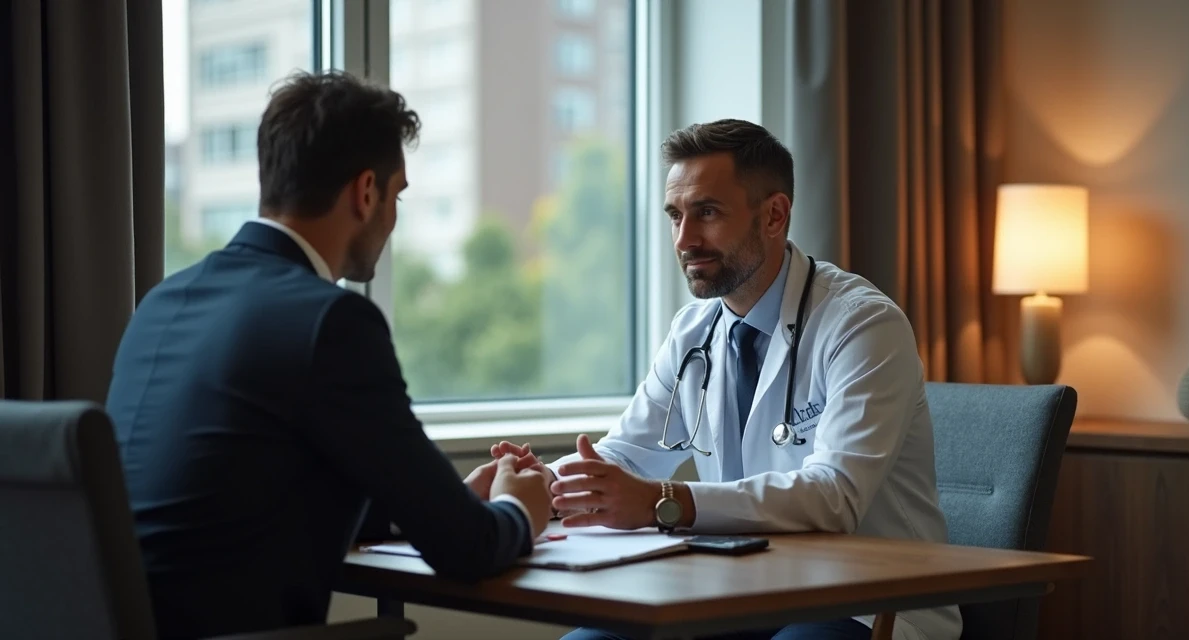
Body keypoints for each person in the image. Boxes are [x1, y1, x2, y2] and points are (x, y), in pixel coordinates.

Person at [105, 70, 550, 639]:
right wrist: (519, 510)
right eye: (398, 196)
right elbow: (469, 551)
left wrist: (441, 503)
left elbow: (246, 489)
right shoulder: (330, 321)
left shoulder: (164, 302)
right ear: (367, 193)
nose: (393, 219)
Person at [491, 120, 962, 640]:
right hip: (735, 592)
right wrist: (547, 482)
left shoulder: (863, 324)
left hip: (866, 600)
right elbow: (626, 455)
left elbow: (835, 497)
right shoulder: (693, 331)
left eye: (707, 213)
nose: (684, 239)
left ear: (774, 215)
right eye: (675, 216)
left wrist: (662, 501)